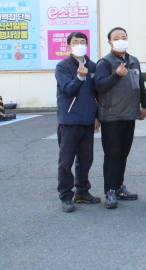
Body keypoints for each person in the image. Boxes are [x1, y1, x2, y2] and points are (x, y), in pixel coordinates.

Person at [95, 27, 146, 209]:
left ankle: (119, 187)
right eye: (116, 38)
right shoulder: (105, 63)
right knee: (112, 154)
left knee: (123, 153)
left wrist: (144, 104)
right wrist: (116, 75)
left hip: (129, 114)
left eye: (123, 37)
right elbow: (99, 86)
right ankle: (110, 190)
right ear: (109, 42)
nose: (120, 40)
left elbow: (140, 84)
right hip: (111, 116)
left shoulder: (133, 61)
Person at [55, 32, 101, 212]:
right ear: (68, 46)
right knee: (66, 161)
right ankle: (66, 196)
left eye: (83, 42)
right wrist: (80, 77)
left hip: (87, 120)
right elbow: (68, 90)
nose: (80, 45)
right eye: (75, 42)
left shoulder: (93, 66)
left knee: (85, 159)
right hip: (69, 120)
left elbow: (97, 93)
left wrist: (96, 116)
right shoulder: (63, 66)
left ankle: (82, 192)